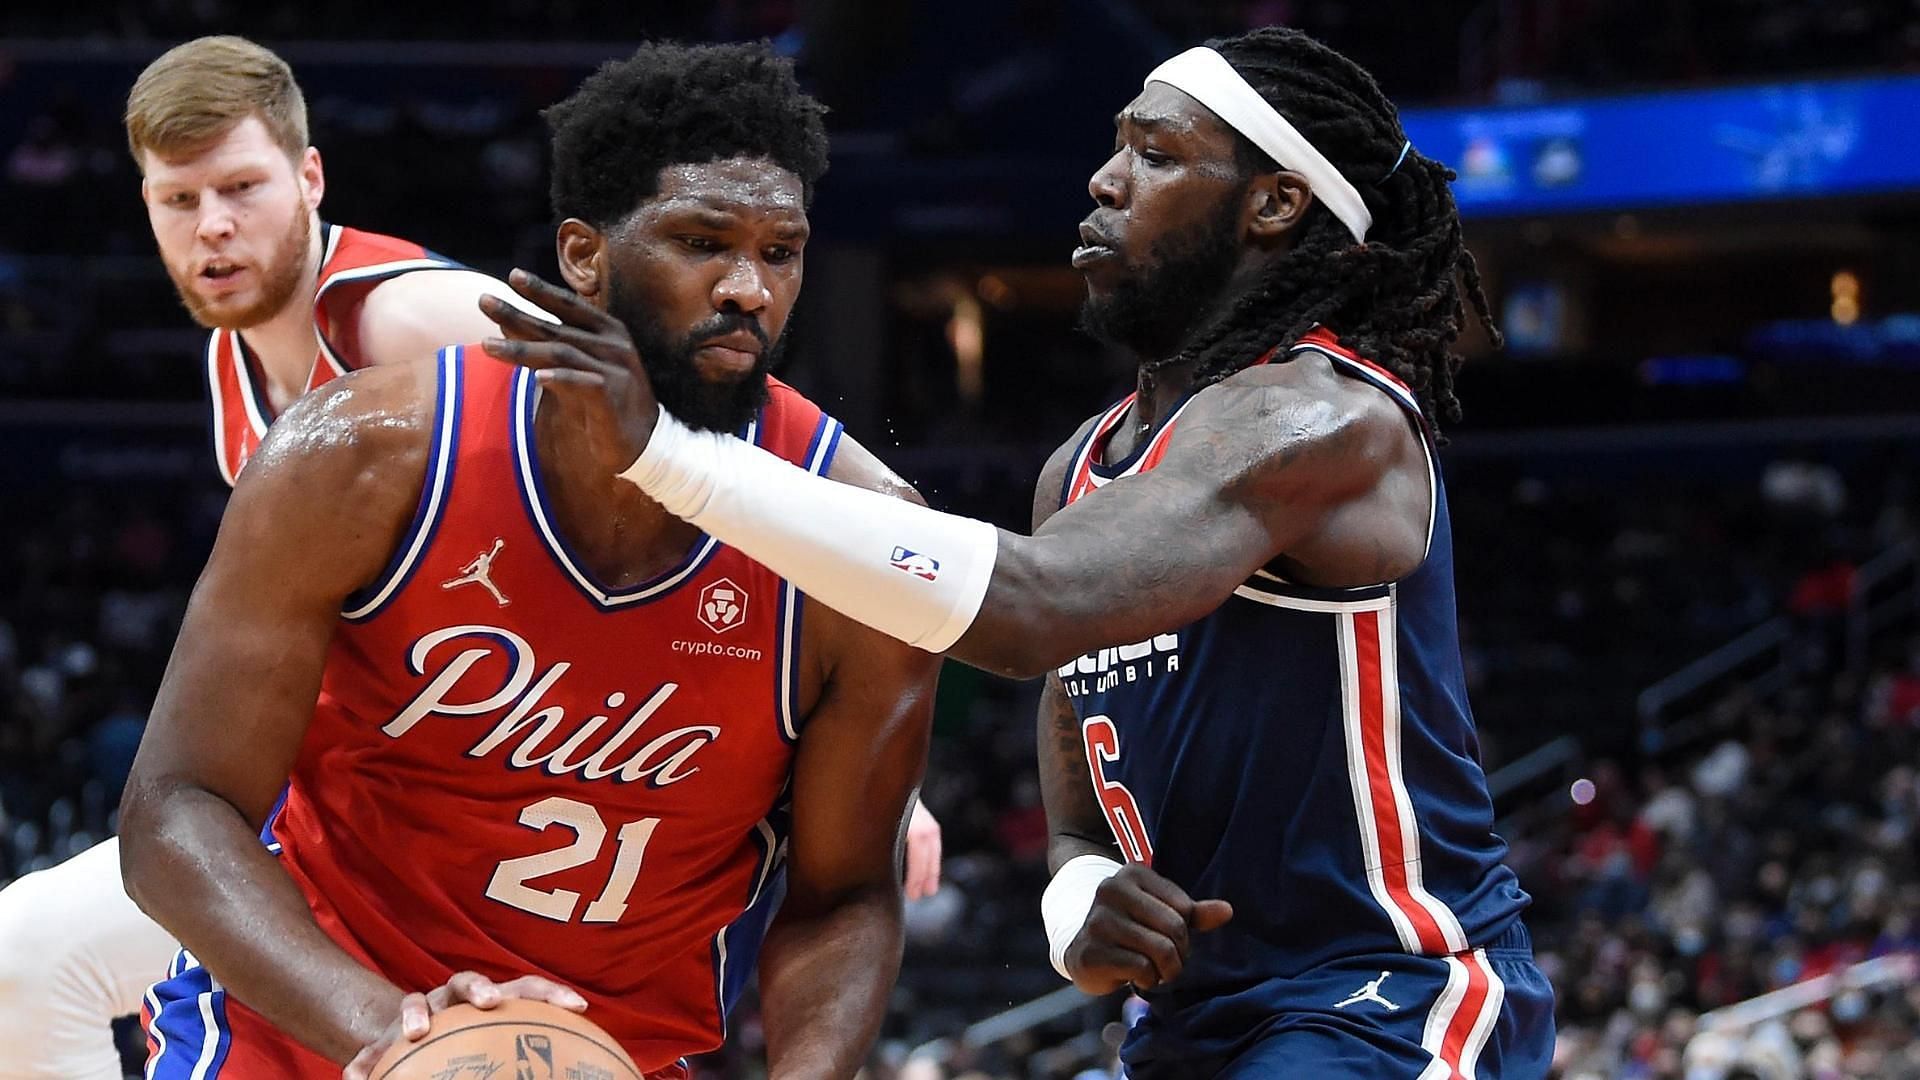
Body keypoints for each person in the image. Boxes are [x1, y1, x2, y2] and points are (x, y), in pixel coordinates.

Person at [485, 26, 1555, 1078]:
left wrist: (671, 455)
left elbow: (1033, 607)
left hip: (1386, 990)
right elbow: (1082, 820)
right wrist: (1077, 897)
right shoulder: (1080, 467)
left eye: (1156, 153)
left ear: (1274, 204)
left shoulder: (1324, 418)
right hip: (1189, 1021)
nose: (1104, 178)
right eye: (1118, 144)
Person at [0, 35, 946, 1080]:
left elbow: (847, 888)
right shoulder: (329, 429)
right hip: (332, 982)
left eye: (781, 253)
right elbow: (178, 801)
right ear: (586, 253)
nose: (748, 291)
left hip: (601, 1031)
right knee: (32, 953)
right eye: (702, 243)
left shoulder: (417, 324)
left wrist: (886, 759)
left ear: (307, 179)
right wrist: (407, 1038)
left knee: (31, 950)